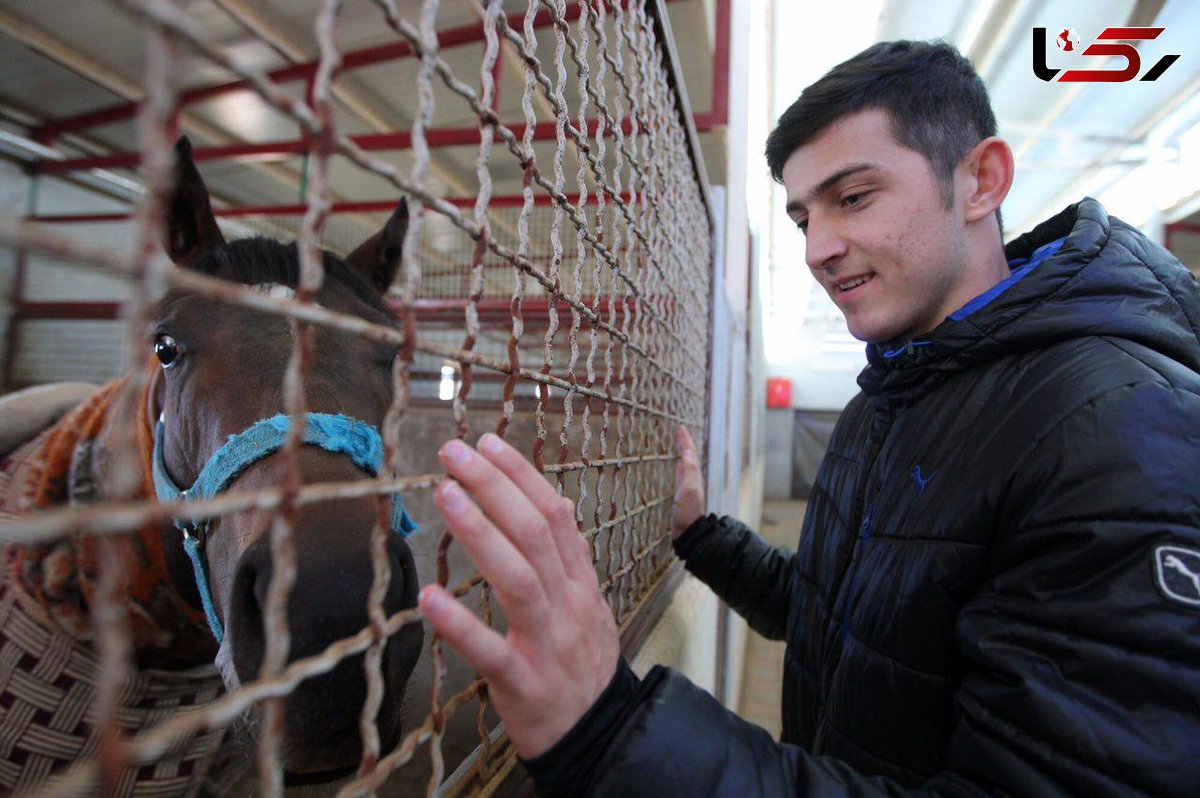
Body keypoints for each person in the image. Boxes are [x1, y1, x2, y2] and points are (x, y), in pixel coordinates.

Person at [418, 40, 1200, 796]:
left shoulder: (1120, 425)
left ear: (980, 181)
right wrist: (702, 536)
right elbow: (841, 621)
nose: (819, 248)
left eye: (854, 197)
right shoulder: (885, 403)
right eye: (801, 220)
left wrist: (609, 733)